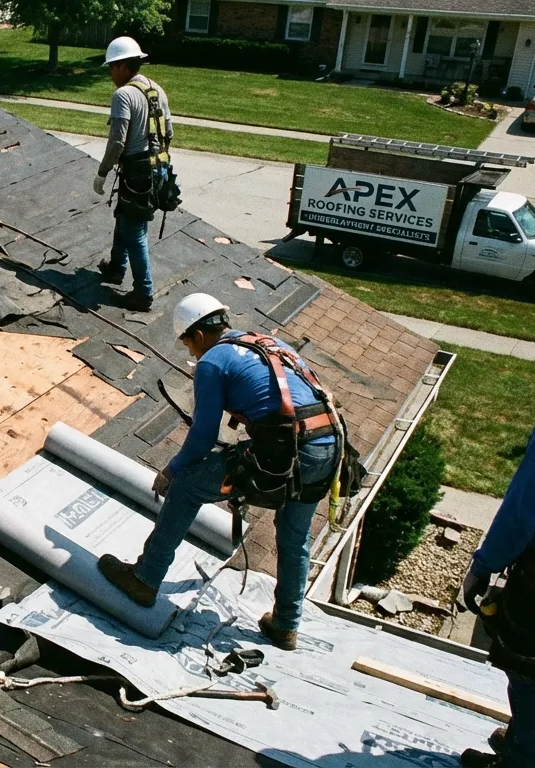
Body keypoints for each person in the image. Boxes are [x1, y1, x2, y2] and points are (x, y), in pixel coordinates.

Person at [97, 293, 341, 650]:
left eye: (187, 345)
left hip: (291, 451)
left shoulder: (213, 361)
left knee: (187, 486)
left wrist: (171, 469)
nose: (191, 355)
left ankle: (145, 579)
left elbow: (203, 436)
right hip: (329, 444)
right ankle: (286, 625)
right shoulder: (269, 342)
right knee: (294, 536)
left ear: (197, 335)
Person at [460, 390, 535, 768]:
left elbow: (519, 516)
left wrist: (483, 566)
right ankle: (529, 738)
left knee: (532, 670)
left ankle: (527, 758)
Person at [92, 36, 174, 314]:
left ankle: (143, 293)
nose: (111, 74)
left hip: (138, 172)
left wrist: (102, 173)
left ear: (122, 66)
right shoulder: (156, 89)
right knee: (125, 217)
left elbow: (117, 142)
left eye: (111, 68)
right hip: (158, 168)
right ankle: (116, 268)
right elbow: (169, 133)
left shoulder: (123, 95)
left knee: (134, 231)